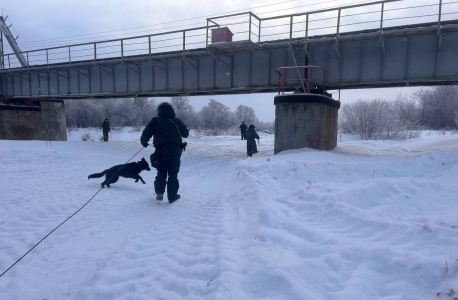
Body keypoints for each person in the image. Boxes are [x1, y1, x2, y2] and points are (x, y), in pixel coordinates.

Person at [140, 102, 189, 203]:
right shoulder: (177, 121)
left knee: (161, 172)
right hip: (175, 151)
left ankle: (159, 192)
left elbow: (146, 133)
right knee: (173, 174)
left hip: (160, 151)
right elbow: (186, 134)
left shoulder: (155, 121)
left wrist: (144, 142)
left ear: (159, 111)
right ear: (172, 111)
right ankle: (172, 196)